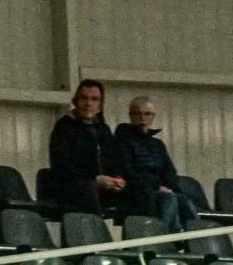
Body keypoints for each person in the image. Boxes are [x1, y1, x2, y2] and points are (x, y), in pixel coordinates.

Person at [108, 96, 198, 232]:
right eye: (138, 114)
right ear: (131, 116)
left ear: (153, 117)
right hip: (135, 191)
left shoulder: (158, 145)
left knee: (184, 201)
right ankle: (165, 238)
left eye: (147, 114)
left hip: (159, 191)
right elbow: (127, 171)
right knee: (168, 200)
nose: (142, 118)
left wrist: (171, 188)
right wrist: (157, 186)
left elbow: (170, 171)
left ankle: (195, 238)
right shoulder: (120, 142)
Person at [48, 78, 123, 220]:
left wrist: (117, 179)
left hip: (102, 185)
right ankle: (94, 230)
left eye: (94, 99)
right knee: (89, 188)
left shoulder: (104, 130)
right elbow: (62, 165)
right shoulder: (63, 127)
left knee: (139, 192)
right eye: (84, 98)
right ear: (76, 101)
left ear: (100, 105)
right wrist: (95, 179)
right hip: (70, 186)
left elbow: (115, 159)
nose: (89, 103)